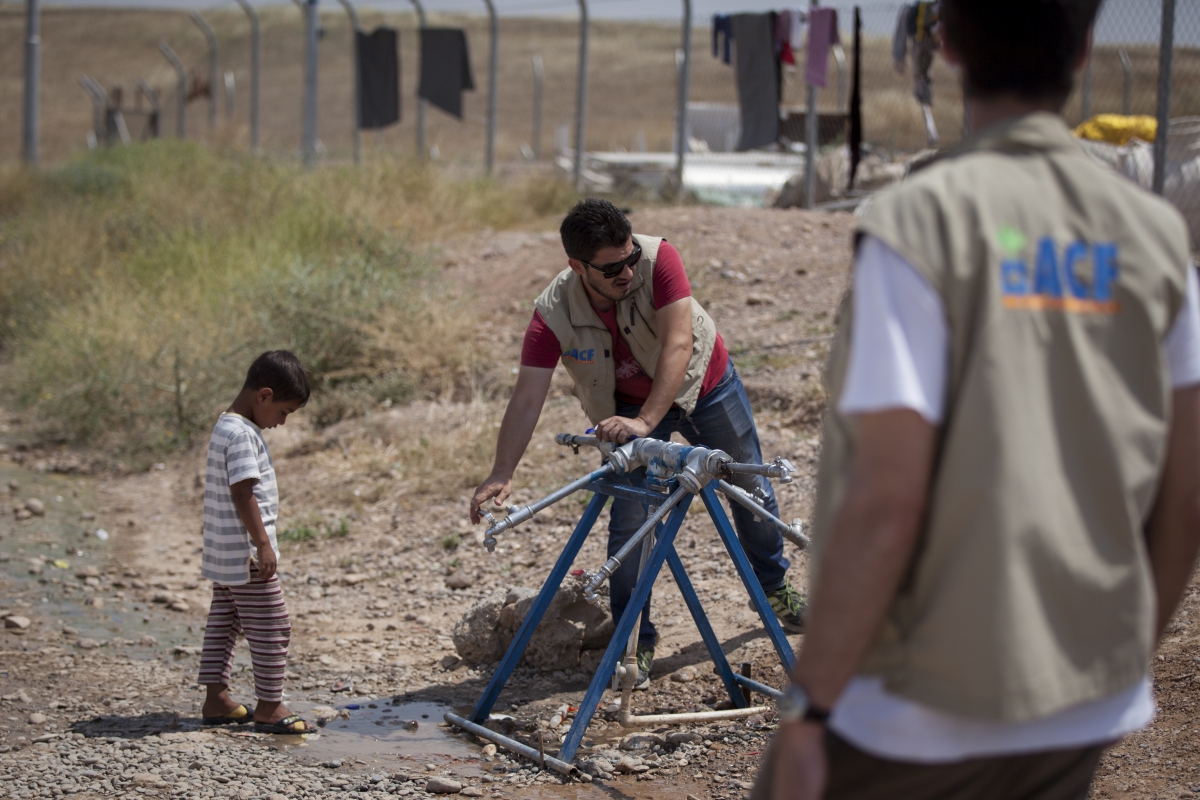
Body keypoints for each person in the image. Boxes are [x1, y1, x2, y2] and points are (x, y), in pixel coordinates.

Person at [753, 1, 1200, 798]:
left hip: (917, 706)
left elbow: (887, 498)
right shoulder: (1158, 237)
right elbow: (1184, 492)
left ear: (948, 44)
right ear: (1087, 46)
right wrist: (1114, 657)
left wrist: (810, 708)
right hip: (1085, 693)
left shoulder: (918, 222)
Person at [469, 198, 805, 688]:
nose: (627, 272)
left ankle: (773, 588)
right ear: (577, 267)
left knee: (750, 485)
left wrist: (648, 421)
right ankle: (634, 640)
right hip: (627, 411)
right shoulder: (552, 314)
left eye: (629, 259)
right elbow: (526, 398)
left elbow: (678, 344)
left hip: (703, 386)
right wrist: (502, 471)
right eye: (611, 268)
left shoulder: (658, 259)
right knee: (632, 521)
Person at [198, 350, 313, 735]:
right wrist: (262, 544)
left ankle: (216, 699)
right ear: (263, 396)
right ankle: (269, 706)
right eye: (283, 412)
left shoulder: (224, 427)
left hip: (223, 550)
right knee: (273, 625)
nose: (281, 422)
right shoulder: (244, 435)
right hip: (246, 553)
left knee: (225, 621)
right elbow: (243, 490)